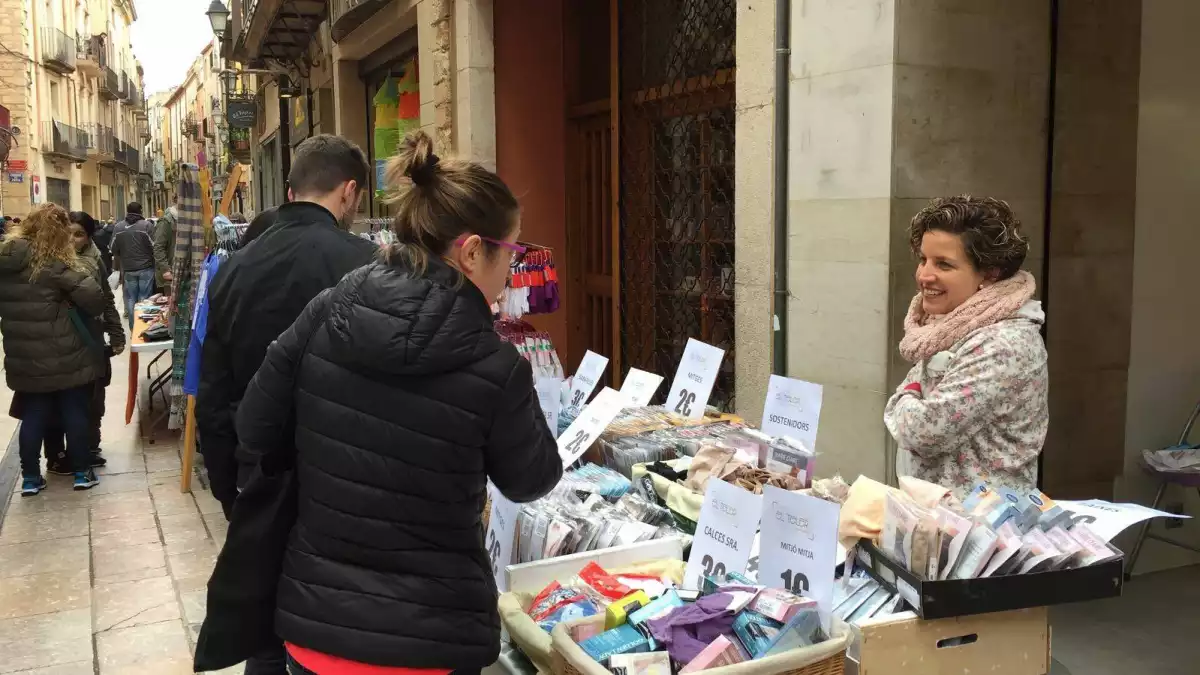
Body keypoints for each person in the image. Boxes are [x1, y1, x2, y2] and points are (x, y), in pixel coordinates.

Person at [230, 130, 562, 675]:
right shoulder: (495, 365)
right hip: (430, 643)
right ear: (473, 251)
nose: (513, 270)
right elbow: (532, 479)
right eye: (513, 251)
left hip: (318, 631)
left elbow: (254, 424)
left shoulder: (328, 308)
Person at [196, 135, 379, 674]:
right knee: (337, 629)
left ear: (292, 188)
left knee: (269, 628)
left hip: (263, 471)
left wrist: (231, 488)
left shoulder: (234, 268)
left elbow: (213, 389)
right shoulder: (368, 263)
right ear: (348, 193)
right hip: (347, 478)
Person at [885, 196, 1049, 498]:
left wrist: (905, 397)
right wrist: (912, 397)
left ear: (990, 273)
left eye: (943, 264)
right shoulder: (948, 327)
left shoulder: (1003, 343)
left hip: (984, 531)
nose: (924, 276)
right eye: (923, 259)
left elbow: (923, 431)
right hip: (940, 521)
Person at [0, 204, 108, 493]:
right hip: (65, 354)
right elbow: (95, 299)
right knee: (74, 410)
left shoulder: (6, 261)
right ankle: (82, 473)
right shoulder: (55, 262)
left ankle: (31, 479)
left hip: (23, 356)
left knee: (33, 414)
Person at [110, 201, 156, 327]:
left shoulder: (118, 227)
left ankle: (133, 328)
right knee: (144, 299)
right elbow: (155, 247)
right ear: (141, 211)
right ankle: (143, 328)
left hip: (128, 269)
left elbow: (113, 248)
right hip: (146, 268)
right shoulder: (147, 226)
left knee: (130, 299)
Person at [153, 195, 177, 290]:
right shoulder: (165, 222)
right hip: (168, 275)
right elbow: (158, 247)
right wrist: (165, 270)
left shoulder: (185, 220)